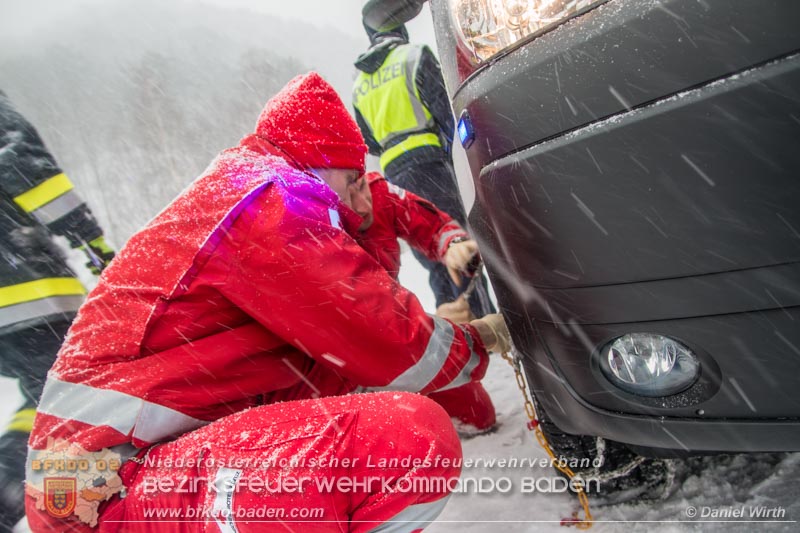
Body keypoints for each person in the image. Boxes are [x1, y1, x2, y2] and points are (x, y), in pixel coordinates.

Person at [24, 72, 511, 532]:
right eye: (353, 181)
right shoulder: (268, 202)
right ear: (317, 167)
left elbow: (353, 355)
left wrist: (447, 260)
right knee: (405, 444)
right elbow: (394, 343)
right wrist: (483, 335)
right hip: (96, 492)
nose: (362, 202)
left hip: (106, 475)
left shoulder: (250, 197)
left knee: (393, 399)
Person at [0, 91, 114, 531]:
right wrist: (91, 241)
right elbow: (27, 170)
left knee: (42, 396)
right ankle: (85, 516)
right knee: (79, 394)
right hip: (25, 287)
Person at [352, 22, 495, 320]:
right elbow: (445, 111)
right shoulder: (413, 54)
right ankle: (485, 323)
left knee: (431, 253)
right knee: (456, 245)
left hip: (393, 172)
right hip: (430, 163)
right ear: (399, 30)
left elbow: (368, 141)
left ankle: (454, 328)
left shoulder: (360, 82)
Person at [349, 171, 497, 434]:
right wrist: (425, 328)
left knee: (476, 413)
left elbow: (430, 224)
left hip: (395, 329)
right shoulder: (307, 224)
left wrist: (454, 244)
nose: (363, 205)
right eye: (347, 195)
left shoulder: (380, 192)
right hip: (342, 359)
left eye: (360, 186)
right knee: (390, 441)